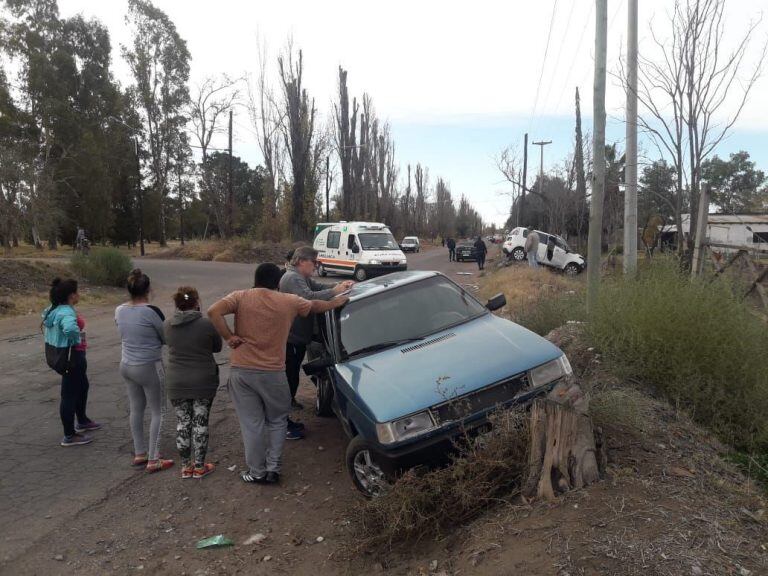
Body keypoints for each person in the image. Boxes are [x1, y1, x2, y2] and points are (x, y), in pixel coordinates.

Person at [207, 263, 348, 485]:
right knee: (277, 420)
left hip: (242, 372)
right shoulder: (288, 301)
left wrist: (229, 337)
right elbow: (314, 306)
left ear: (256, 279)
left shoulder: (240, 297)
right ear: (277, 282)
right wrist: (335, 302)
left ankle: (256, 472)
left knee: (251, 424)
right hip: (273, 372)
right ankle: (273, 468)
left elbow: (213, 311)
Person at [279, 246, 353, 438]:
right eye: (314, 262)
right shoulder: (292, 278)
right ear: (302, 261)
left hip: (297, 339)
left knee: (292, 378)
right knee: (289, 379)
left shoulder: (300, 277)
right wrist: (334, 292)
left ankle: (283, 420)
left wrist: (338, 287)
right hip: (291, 340)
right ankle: (282, 424)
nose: (315, 266)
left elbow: (317, 287)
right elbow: (309, 299)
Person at [115, 269, 173, 473]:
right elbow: (166, 337)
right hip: (149, 365)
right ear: (148, 289)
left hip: (127, 364)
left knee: (136, 408)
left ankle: (140, 452)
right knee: (159, 410)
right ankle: (154, 457)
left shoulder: (119, 310)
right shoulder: (152, 311)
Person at [165, 286, 222, 480]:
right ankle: (199, 467)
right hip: (203, 380)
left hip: (176, 381)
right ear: (196, 302)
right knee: (200, 422)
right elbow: (217, 347)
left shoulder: (167, 325)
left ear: (177, 303)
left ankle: (185, 467)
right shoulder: (206, 324)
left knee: (182, 423)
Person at [42, 278, 101, 447]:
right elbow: (69, 329)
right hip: (72, 358)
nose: (79, 294)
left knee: (82, 386)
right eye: (77, 292)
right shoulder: (66, 312)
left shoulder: (53, 309)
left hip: (62, 355)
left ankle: (82, 420)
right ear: (71, 295)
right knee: (68, 395)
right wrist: (75, 340)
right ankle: (69, 435)